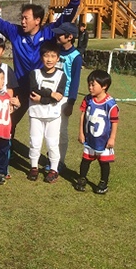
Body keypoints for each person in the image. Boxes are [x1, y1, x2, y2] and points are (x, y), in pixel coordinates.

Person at [0, 0, 81, 132]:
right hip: (21, 88)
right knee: (8, 122)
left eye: (26, 18)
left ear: (37, 20)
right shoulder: (15, 33)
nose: (23, 22)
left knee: (47, 129)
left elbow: (66, 18)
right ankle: (5, 152)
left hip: (43, 90)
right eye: (21, 18)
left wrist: (75, 0)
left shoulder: (48, 33)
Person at [26, 42, 66, 184]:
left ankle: (53, 170)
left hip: (53, 115)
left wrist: (42, 99)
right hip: (36, 114)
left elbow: (59, 96)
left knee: (52, 143)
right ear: (41, 57)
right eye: (46, 56)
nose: (49, 59)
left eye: (53, 56)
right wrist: (49, 95)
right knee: (35, 142)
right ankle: (34, 167)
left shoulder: (61, 75)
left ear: (58, 58)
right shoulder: (34, 74)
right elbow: (33, 91)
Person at [75, 70, 119, 194]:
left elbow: (115, 121)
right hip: (90, 138)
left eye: (93, 85)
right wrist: (81, 132)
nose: (90, 87)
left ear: (104, 86)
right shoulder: (88, 99)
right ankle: (82, 178)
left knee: (104, 163)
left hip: (103, 140)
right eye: (89, 84)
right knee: (85, 160)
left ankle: (103, 182)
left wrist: (112, 138)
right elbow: (83, 115)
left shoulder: (110, 104)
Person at [54, 22, 83, 172]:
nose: (57, 36)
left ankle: (61, 160)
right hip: (52, 95)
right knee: (51, 129)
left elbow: (75, 80)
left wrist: (71, 102)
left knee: (62, 130)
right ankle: (53, 156)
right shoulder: (56, 51)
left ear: (70, 37)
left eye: (60, 34)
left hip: (65, 98)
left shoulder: (76, 57)